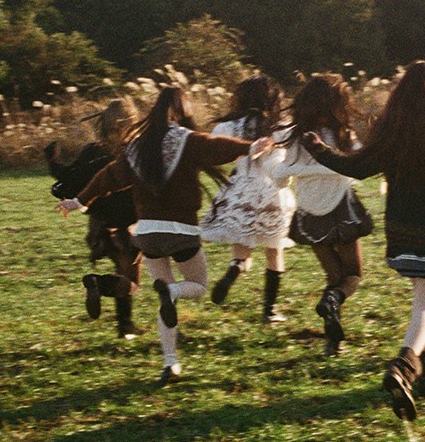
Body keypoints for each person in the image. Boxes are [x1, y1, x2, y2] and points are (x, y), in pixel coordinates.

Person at [55, 86, 265, 385]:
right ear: (180, 111)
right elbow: (217, 146)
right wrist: (252, 147)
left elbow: (110, 177)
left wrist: (80, 201)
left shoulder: (136, 146)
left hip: (148, 234)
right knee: (197, 286)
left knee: (159, 293)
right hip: (181, 231)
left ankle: (170, 364)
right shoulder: (187, 140)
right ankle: (172, 293)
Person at [303, 60, 425, 421]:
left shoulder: (392, 135)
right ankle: (404, 367)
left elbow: (358, 166)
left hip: (400, 237)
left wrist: (319, 150)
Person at [270, 73, 373, 356]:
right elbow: (360, 162)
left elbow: (280, 175)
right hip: (341, 209)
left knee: (333, 274)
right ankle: (333, 300)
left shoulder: (294, 136)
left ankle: (333, 340)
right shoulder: (342, 134)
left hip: (310, 213)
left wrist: (292, 174)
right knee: (352, 274)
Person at [45, 99, 141, 338]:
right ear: (130, 123)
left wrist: (53, 160)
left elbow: (70, 180)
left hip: (100, 224)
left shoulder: (92, 151)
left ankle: (125, 326)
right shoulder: (134, 152)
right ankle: (100, 287)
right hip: (127, 225)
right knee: (130, 280)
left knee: (125, 272)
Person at [202, 75, 295, 323]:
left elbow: (215, 150)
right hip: (271, 190)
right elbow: (286, 159)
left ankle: (233, 271)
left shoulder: (227, 127)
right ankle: (269, 310)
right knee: (274, 253)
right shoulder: (281, 128)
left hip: (239, 190)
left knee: (242, 249)